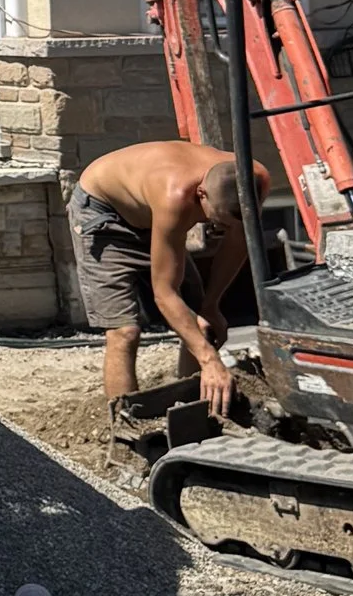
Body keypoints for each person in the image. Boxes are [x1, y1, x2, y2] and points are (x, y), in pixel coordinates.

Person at [67, 138, 269, 429]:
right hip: (104, 214)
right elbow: (165, 294)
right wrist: (210, 361)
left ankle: (191, 410)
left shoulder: (255, 179)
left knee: (200, 322)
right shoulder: (174, 195)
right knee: (124, 331)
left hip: (150, 211)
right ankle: (125, 430)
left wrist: (211, 305)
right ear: (201, 194)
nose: (221, 229)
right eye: (217, 221)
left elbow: (236, 244)